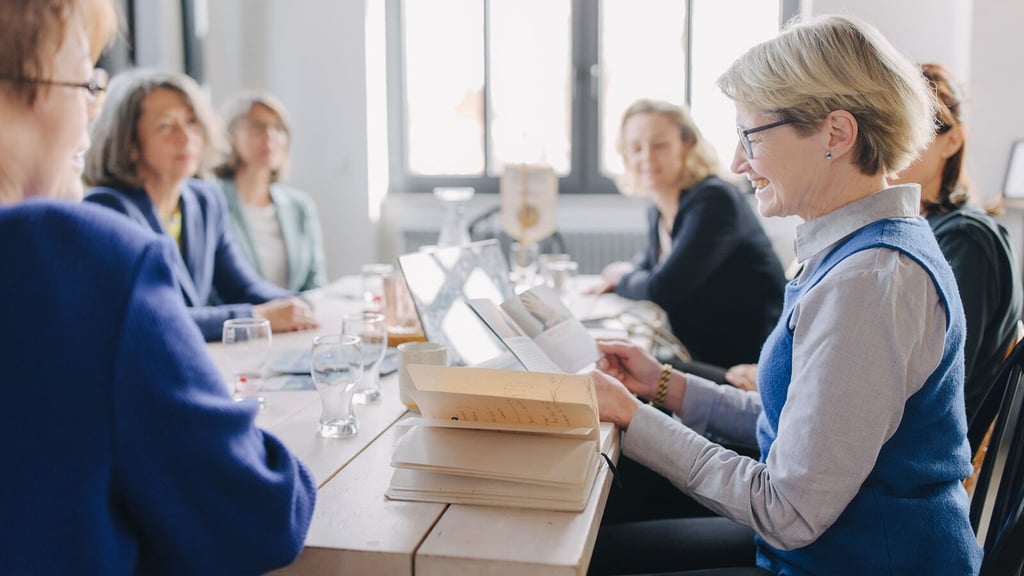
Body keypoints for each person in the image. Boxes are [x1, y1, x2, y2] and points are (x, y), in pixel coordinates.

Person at [589, 15, 981, 576]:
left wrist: (634, 418)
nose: (736, 162)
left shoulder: (868, 283)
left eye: (752, 135)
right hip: (830, 543)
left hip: (857, 560)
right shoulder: (856, 251)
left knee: (595, 555)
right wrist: (664, 386)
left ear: (836, 135)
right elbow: (797, 426)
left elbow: (787, 510)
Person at [0, 1, 316, 574]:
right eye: (86, 82)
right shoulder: (84, 253)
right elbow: (260, 514)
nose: (90, 116)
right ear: (31, 82)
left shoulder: (197, 203)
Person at [725, 63, 1023, 455]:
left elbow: (936, 380)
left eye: (916, 126)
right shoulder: (909, 228)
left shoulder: (963, 238)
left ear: (952, 142)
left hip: (906, 454)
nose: (894, 136)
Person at [83, 69, 318, 341]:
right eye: (166, 126)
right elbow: (154, 316)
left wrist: (301, 305)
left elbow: (242, 287)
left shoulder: (205, 199)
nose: (186, 137)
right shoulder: (107, 209)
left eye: (192, 122)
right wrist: (257, 318)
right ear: (130, 144)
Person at [598, 99, 786, 368]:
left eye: (659, 145)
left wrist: (620, 276)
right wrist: (626, 273)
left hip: (744, 363)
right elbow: (650, 265)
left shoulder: (714, 200)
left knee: (616, 371)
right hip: (700, 351)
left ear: (687, 144)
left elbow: (663, 287)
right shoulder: (658, 209)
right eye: (636, 147)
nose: (646, 157)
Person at [214, 90, 328, 292]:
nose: (269, 136)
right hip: (242, 320)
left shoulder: (300, 205)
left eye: (278, 128)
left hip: (296, 319)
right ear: (231, 134)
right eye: (257, 126)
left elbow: (315, 283)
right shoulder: (213, 200)